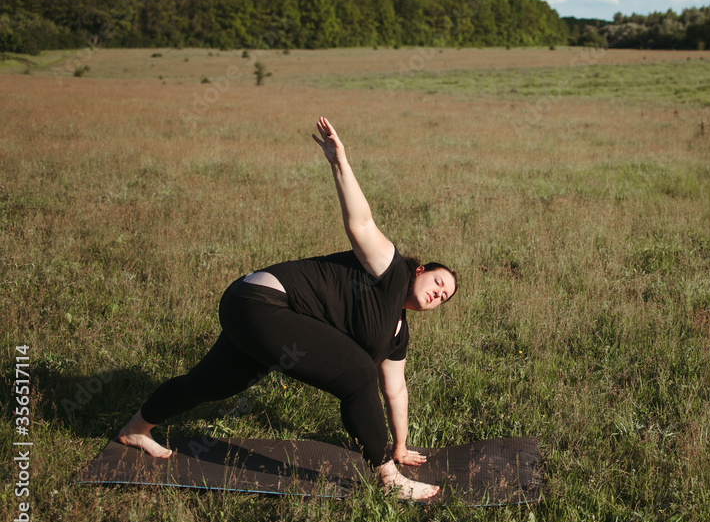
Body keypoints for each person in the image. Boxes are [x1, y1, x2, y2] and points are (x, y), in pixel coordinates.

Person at [116, 116, 457, 500]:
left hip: (263, 316)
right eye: (439, 283)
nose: (438, 294)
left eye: (444, 298)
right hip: (260, 302)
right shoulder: (390, 268)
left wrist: (400, 444)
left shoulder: (397, 334)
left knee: (213, 383)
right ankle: (389, 480)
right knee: (359, 373)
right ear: (421, 270)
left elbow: (396, 390)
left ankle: (135, 428)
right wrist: (339, 162)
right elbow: (361, 223)